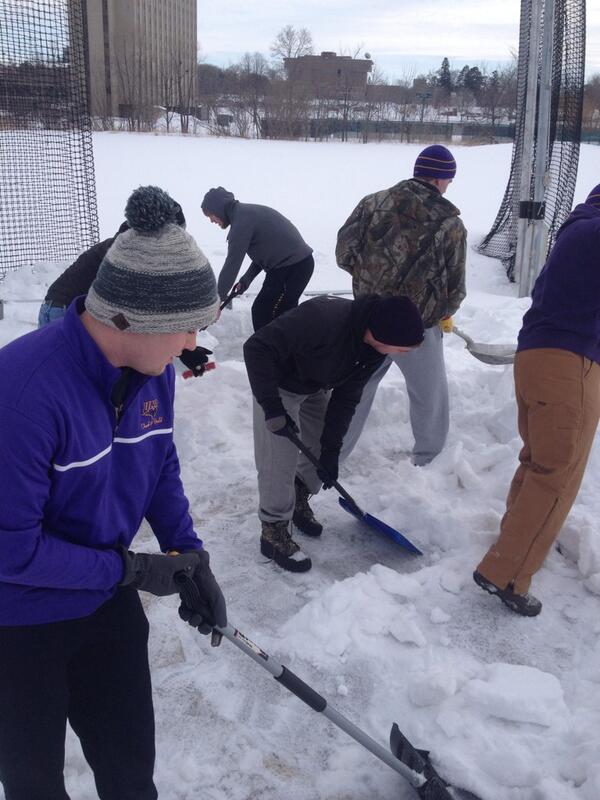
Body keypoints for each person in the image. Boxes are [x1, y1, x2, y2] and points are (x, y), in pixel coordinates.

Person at [0, 185, 227, 800]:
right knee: (34, 786)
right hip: (19, 626)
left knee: (130, 776)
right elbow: (10, 553)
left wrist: (188, 554)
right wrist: (128, 568)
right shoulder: (22, 394)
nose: (190, 345)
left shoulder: (154, 373)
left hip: (105, 608)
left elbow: (157, 462)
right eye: (183, 328)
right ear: (130, 319)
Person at [473, 185, 600, 617]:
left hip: (535, 357)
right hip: (570, 364)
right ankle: (506, 573)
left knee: (537, 464)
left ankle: (513, 545)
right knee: (556, 476)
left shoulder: (578, 228)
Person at [243, 294, 425, 573]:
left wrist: (330, 451)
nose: (403, 354)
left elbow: (346, 399)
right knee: (278, 458)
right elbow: (256, 348)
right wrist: (272, 408)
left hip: (314, 385)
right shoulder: (322, 319)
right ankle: (273, 530)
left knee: (319, 445)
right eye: (402, 348)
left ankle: (298, 493)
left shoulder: (373, 351)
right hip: (277, 384)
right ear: (382, 332)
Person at [336, 144, 467, 466]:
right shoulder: (450, 224)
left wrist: (372, 283)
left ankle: (331, 456)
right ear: (440, 180)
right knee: (429, 395)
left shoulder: (372, 203)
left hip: (367, 320)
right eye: (448, 180)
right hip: (417, 327)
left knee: (355, 390)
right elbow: (456, 285)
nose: (448, 186)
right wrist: (444, 309)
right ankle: (430, 460)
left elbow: (344, 253)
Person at [38, 200, 212, 377]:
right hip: (62, 309)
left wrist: (182, 343)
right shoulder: (127, 255)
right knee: (69, 378)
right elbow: (125, 320)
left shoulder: (136, 251)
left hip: (71, 308)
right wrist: (182, 347)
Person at [201, 186, 314, 330]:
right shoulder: (245, 215)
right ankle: (278, 350)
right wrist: (246, 279)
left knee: (266, 312)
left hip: (293, 268)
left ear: (218, 208)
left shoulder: (241, 223)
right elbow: (267, 254)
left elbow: (232, 263)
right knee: (277, 315)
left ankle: (270, 351)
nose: (211, 220)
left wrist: (217, 300)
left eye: (211, 215)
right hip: (290, 267)